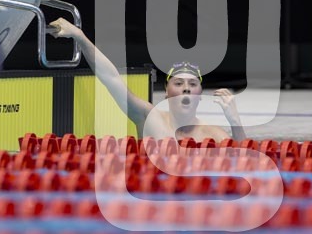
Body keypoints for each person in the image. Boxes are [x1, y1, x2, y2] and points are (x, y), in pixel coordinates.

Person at [48, 17, 247, 143]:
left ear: (200, 94)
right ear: (167, 92)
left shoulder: (214, 134)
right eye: (178, 83)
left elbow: (243, 161)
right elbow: (111, 78)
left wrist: (235, 121)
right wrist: (80, 37)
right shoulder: (149, 118)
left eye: (193, 84)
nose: (186, 88)